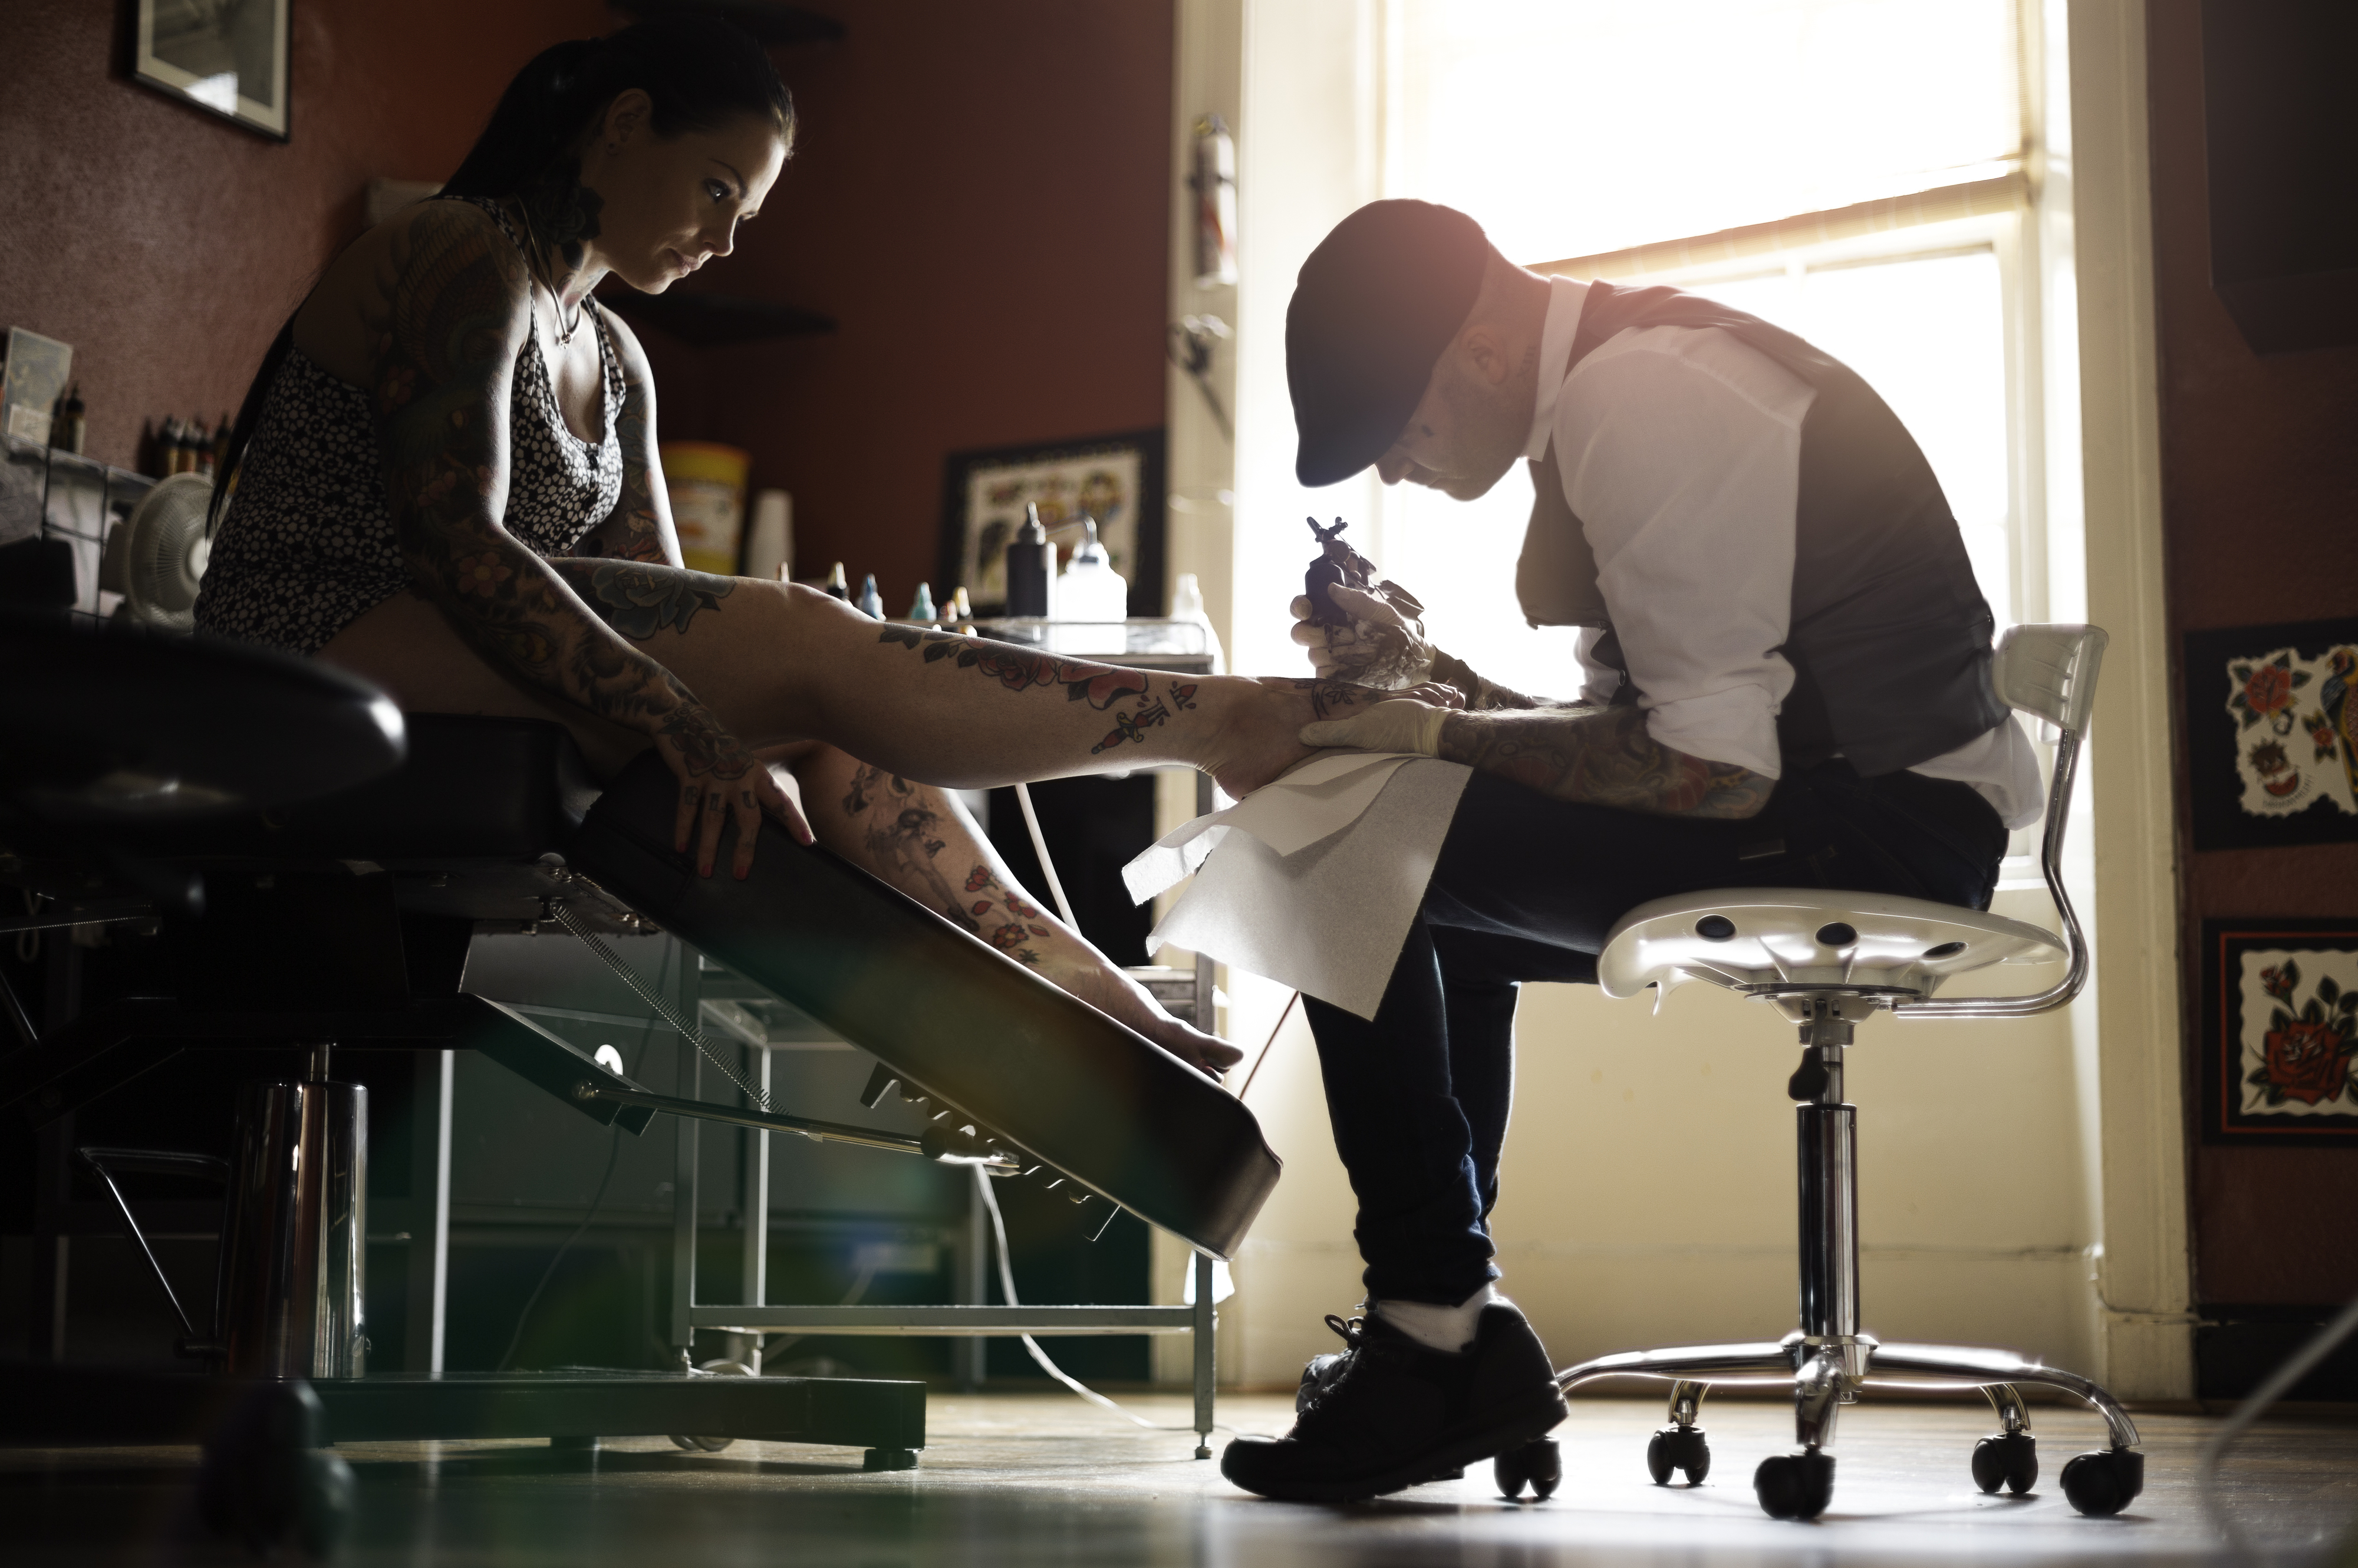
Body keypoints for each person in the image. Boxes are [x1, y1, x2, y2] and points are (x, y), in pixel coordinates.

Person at [191, 18, 1320, 1076]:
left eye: (748, 213)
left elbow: (672, 604)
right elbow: (454, 549)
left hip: (447, 654)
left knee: (827, 706)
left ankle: (1046, 970)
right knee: (807, 645)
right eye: (719, 188)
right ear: (625, 124)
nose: (728, 238)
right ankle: (1214, 721)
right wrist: (691, 712)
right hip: (307, 647)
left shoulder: (619, 357)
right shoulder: (459, 254)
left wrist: (761, 716)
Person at [1216, 199, 2042, 1501]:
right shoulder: (1613, 386)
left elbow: (1708, 776)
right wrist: (1432, 686)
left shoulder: (1637, 399)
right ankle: (1444, 1318)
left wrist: (1420, 739)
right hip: (1850, 801)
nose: (1396, 468)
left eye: (1403, 426)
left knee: (1331, 838)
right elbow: (1644, 737)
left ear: (1481, 352)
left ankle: (1431, 1324)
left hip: (1878, 829)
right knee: (1407, 863)